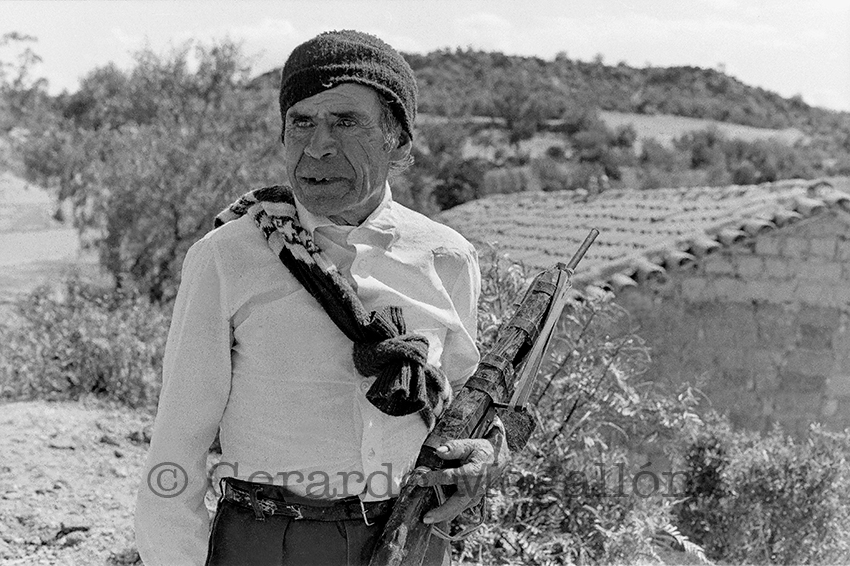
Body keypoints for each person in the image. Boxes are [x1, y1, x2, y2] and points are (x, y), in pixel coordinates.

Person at [134, 30, 507, 566]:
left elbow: (462, 404)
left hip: (409, 540)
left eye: (345, 122)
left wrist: (483, 454)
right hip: (269, 542)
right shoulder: (227, 258)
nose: (318, 146)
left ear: (398, 141)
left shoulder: (445, 257)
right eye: (301, 123)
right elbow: (176, 447)